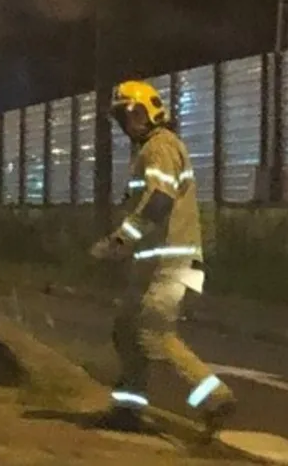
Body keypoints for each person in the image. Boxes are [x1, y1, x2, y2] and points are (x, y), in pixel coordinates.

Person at [88, 80, 236, 436]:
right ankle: (128, 410)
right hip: (154, 264)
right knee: (127, 330)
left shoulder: (160, 147)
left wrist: (121, 239)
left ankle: (214, 396)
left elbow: (159, 201)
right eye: (124, 116)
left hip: (169, 264)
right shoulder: (151, 150)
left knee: (153, 333)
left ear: (153, 110)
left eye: (135, 112)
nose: (130, 121)